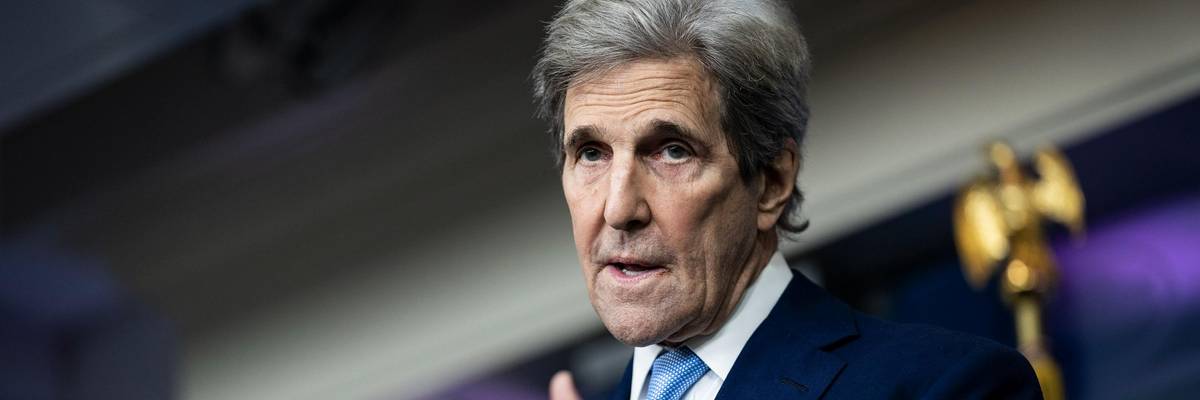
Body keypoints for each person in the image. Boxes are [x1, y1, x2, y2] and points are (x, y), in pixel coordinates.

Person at [530, 0, 1043, 399]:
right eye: (592, 154)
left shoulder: (948, 387)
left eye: (671, 151)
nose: (618, 209)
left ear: (773, 181)